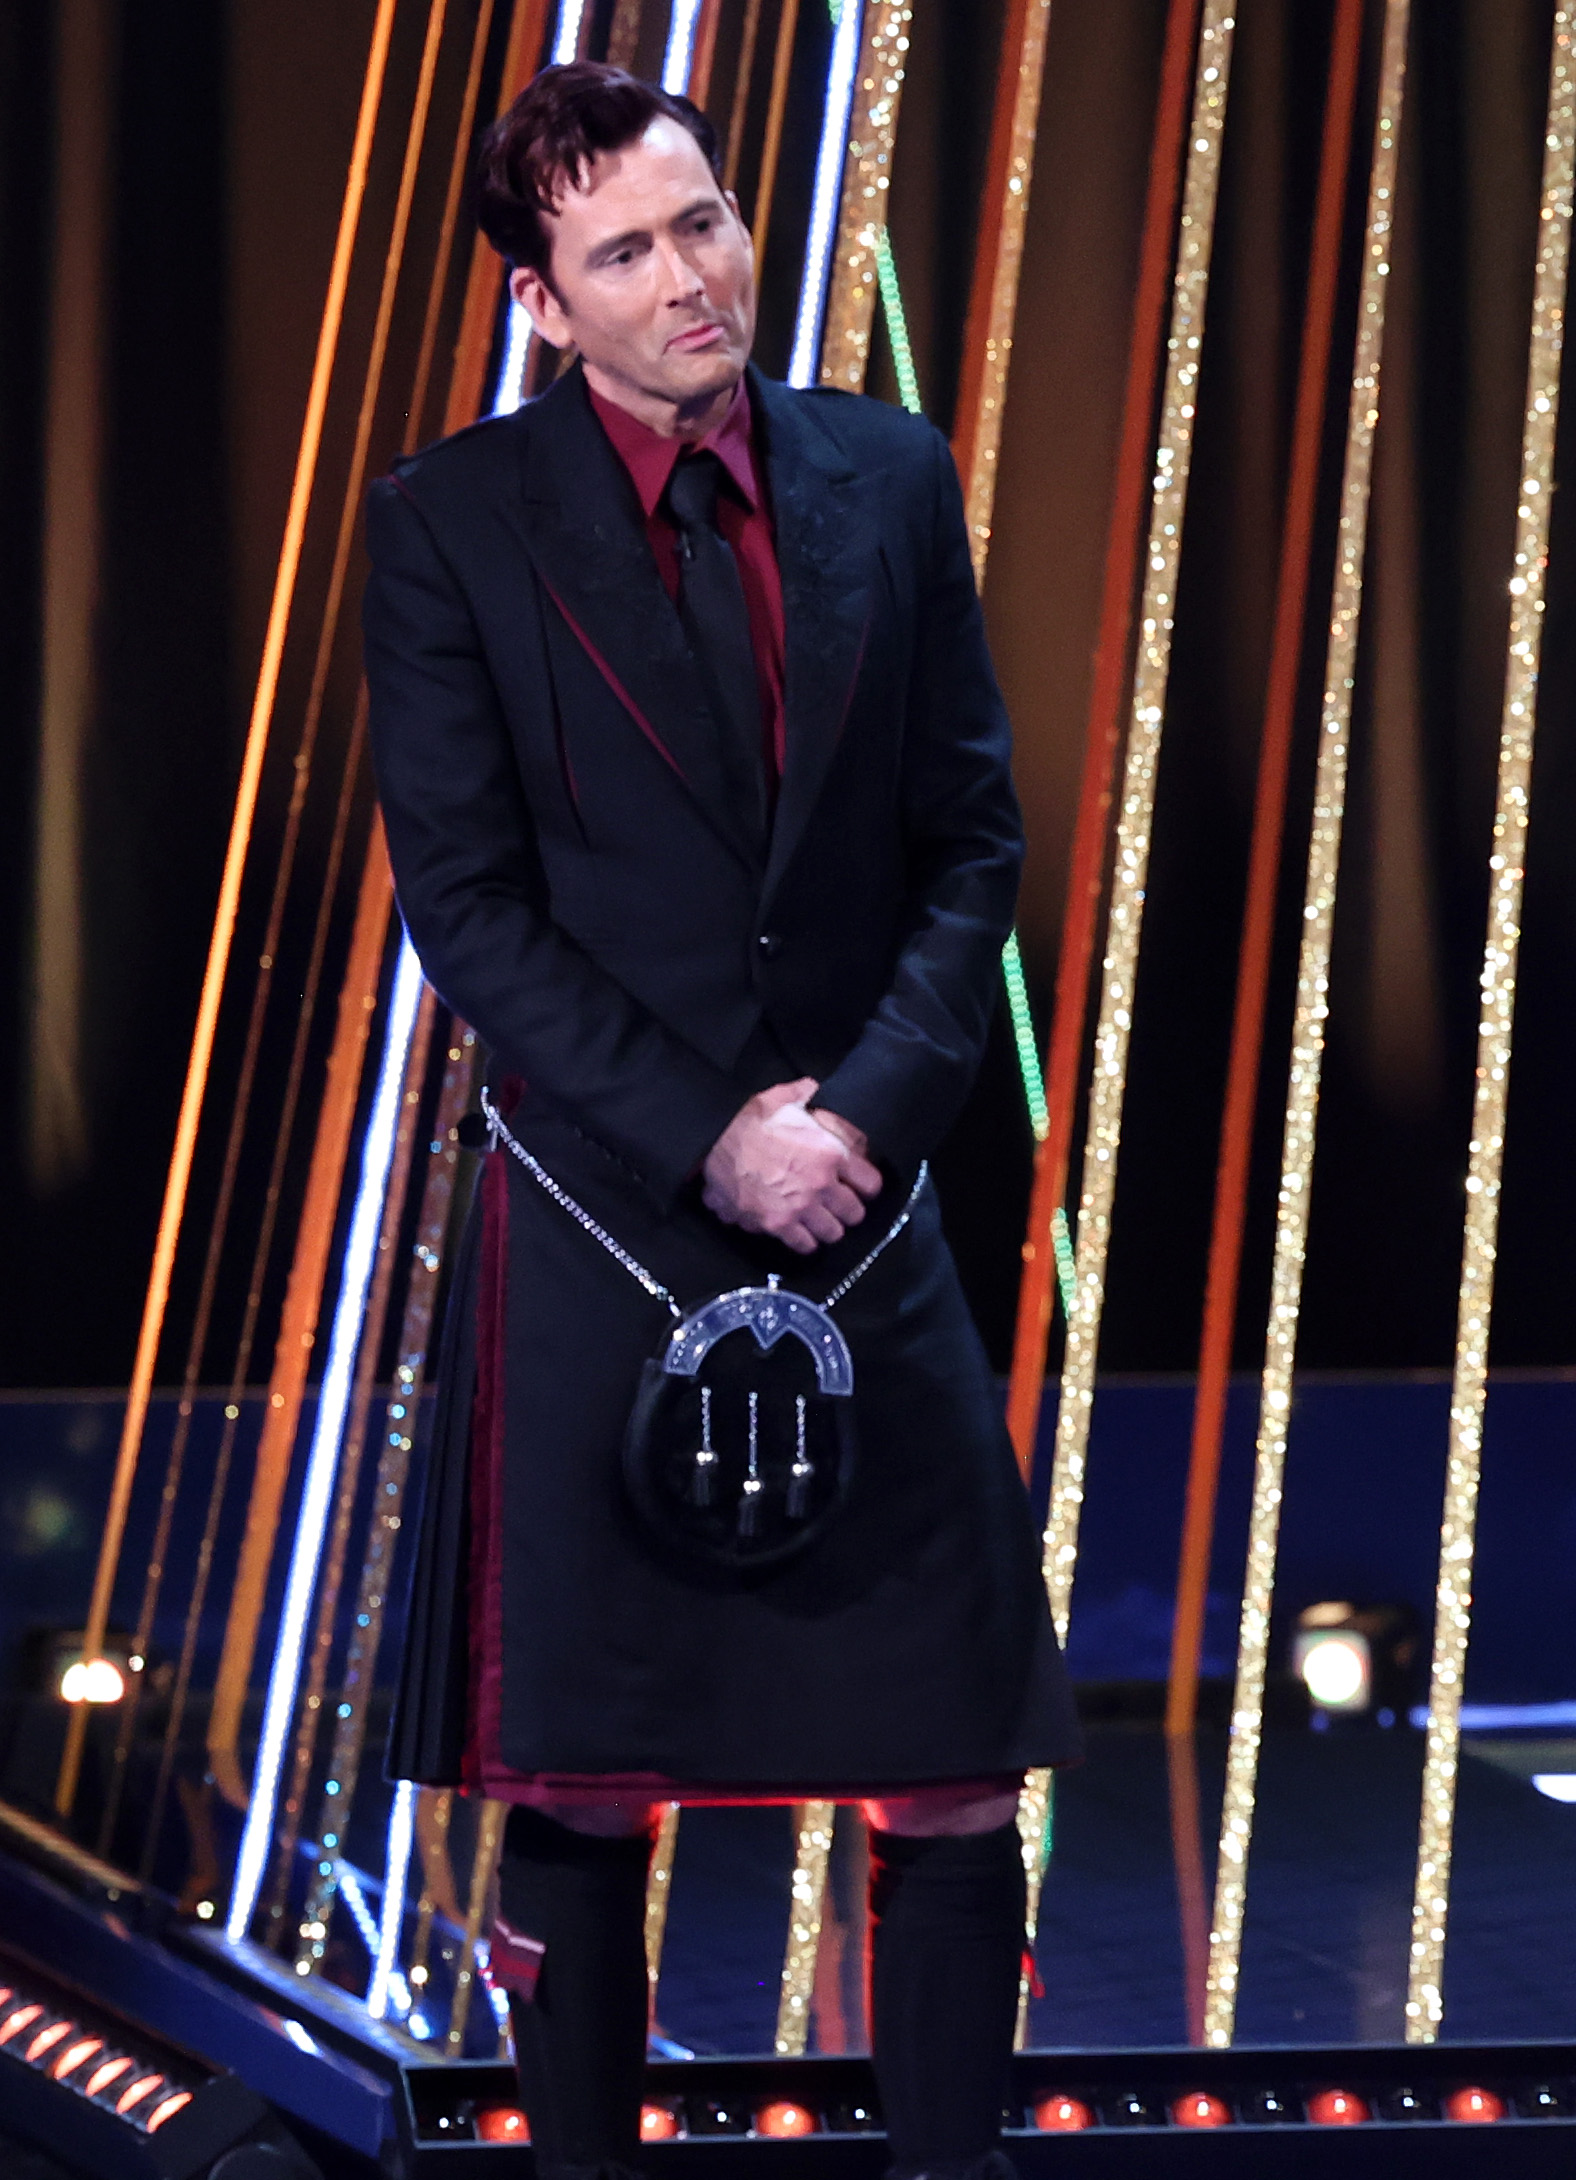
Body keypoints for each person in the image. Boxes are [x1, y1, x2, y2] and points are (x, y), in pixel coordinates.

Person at [363, 62, 1076, 2180]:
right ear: (539, 303)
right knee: (584, 1775)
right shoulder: (449, 525)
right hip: (608, 1215)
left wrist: (853, 1118)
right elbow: (469, 911)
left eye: (703, 225)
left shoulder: (889, 470)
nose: (687, 281)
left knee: (952, 1767)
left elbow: (973, 847)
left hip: (862, 1205)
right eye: (624, 254)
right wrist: (715, 1134)